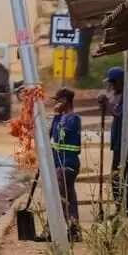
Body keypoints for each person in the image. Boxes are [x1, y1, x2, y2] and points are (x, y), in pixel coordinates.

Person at [101, 66, 128, 217]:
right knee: (117, 177)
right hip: (119, 143)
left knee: (123, 177)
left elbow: (122, 117)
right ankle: (121, 208)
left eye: (112, 83)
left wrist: (107, 105)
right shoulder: (124, 96)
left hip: (127, 143)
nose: (110, 87)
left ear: (119, 82)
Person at [49, 88, 81, 234]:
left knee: (60, 198)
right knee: (68, 196)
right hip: (60, 163)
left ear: (64, 101)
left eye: (57, 100)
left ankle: (56, 228)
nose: (55, 103)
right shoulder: (63, 118)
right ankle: (74, 228)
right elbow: (50, 134)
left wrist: (56, 115)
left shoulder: (72, 119)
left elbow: (58, 136)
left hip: (67, 164)